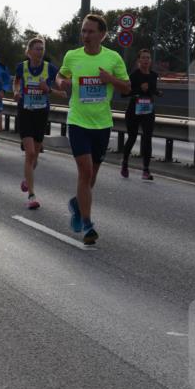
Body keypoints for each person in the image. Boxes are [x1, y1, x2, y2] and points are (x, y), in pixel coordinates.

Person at [54, 13, 130, 244]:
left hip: (102, 124)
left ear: (102, 34)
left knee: (92, 177)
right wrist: (61, 83)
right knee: (85, 172)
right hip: (78, 121)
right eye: (83, 31)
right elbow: (60, 75)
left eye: (90, 31)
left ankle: (77, 204)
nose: (85, 35)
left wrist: (110, 80)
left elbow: (127, 88)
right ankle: (87, 225)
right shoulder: (72, 56)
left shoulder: (113, 58)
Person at [12, 37, 59, 210]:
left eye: (42, 49)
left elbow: (63, 90)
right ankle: (31, 196)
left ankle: (27, 177)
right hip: (25, 112)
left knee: (35, 156)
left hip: (41, 114)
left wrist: (50, 90)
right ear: (29, 51)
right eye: (37, 49)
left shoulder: (49, 68)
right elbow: (16, 83)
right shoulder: (21, 67)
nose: (40, 51)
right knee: (30, 153)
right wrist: (16, 92)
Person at [120, 48, 159, 181]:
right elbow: (124, 93)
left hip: (148, 110)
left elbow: (153, 90)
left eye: (148, 58)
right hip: (134, 111)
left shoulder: (154, 75)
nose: (146, 60)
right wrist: (138, 90)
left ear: (151, 61)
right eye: (143, 58)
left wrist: (157, 92)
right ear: (138, 61)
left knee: (148, 138)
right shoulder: (133, 76)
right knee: (132, 137)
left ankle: (146, 170)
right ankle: (125, 163)